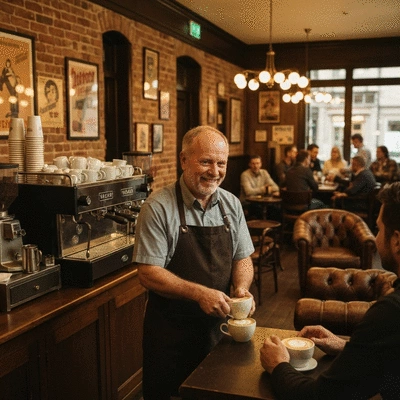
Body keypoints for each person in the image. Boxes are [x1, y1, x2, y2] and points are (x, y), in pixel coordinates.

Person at [132, 125, 255, 400]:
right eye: (206, 161)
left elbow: (243, 258)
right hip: (170, 337)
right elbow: (148, 273)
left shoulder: (231, 205)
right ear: (183, 160)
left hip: (218, 334)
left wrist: (242, 288)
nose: (214, 171)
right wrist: (199, 293)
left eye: (221, 163)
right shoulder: (158, 207)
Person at [260, 181, 400, 400]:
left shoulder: (390, 313)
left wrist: (278, 365)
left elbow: (320, 396)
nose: (376, 237)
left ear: (397, 241)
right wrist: (348, 348)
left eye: (379, 228)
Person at [240, 155, 279, 219]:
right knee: (261, 212)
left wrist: (268, 189)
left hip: (261, 202)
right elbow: (248, 192)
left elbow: (276, 187)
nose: (255, 166)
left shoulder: (264, 172)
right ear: (249, 164)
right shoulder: (245, 175)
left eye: (257, 163)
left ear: (261, 164)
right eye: (253, 164)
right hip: (247, 203)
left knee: (276, 210)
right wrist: (264, 189)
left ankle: (269, 228)